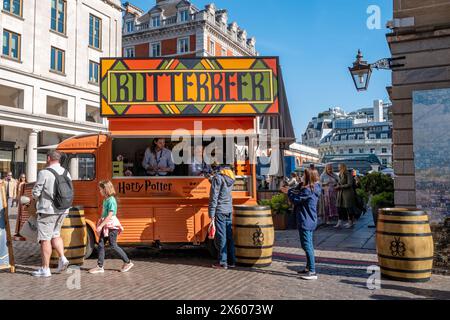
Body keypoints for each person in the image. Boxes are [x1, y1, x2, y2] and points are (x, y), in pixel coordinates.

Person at [31, 150, 71, 277]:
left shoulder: (44, 172)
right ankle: (63, 258)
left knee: (45, 239)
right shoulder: (66, 172)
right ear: (59, 159)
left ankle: (45, 269)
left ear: (48, 158)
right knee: (56, 234)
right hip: (63, 209)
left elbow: (36, 193)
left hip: (48, 211)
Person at [281, 168, 321, 280]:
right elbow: (299, 191)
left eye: (304, 175)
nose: (302, 177)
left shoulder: (308, 190)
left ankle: (312, 271)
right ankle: (308, 268)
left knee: (306, 245)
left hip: (305, 220)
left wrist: (288, 192)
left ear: (308, 177)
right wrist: (293, 188)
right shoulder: (315, 187)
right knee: (308, 244)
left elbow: (296, 200)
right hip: (310, 219)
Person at [89, 180, 133, 274]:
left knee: (113, 245)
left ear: (105, 189)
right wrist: (100, 223)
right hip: (106, 225)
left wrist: (100, 226)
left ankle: (128, 262)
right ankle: (100, 266)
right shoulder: (106, 199)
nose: (99, 191)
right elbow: (104, 214)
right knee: (101, 245)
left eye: (100, 189)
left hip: (111, 225)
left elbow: (110, 215)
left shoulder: (111, 200)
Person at [208, 164, 236, 269]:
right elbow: (222, 186)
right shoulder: (231, 178)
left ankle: (222, 262)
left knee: (221, 237)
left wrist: (211, 214)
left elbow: (214, 197)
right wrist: (211, 180)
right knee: (229, 237)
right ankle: (232, 261)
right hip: (228, 209)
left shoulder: (218, 178)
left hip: (219, 211)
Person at [335, 163, 357, 229]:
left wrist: (340, 186)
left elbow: (350, 184)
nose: (338, 168)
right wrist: (337, 185)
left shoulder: (348, 173)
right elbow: (339, 182)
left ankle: (351, 222)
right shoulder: (340, 174)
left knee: (348, 208)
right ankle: (340, 222)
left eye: (339, 167)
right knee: (339, 207)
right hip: (340, 193)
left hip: (347, 193)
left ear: (343, 167)